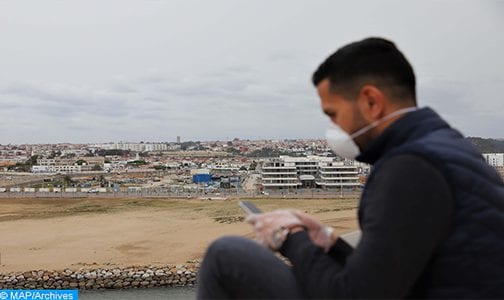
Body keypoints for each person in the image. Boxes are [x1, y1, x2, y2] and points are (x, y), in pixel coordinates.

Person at [197, 37, 504, 299]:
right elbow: (386, 275)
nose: (333, 127)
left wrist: (290, 237)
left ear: (371, 101)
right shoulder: (449, 148)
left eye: (333, 114)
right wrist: (328, 242)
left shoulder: (410, 168)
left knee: (227, 255)